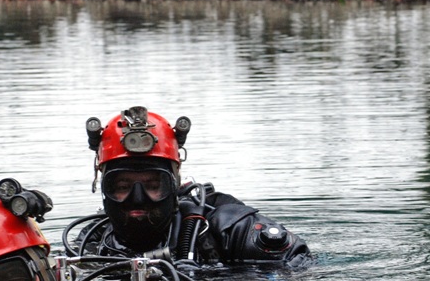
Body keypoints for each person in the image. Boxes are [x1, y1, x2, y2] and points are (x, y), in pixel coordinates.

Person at [64, 106, 311, 266]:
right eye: (122, 185)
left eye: (152, 184)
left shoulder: (224, 229)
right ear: (102, 185)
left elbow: (303, 274)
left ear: (175, 181)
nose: (137, 198)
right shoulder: (94, 242)